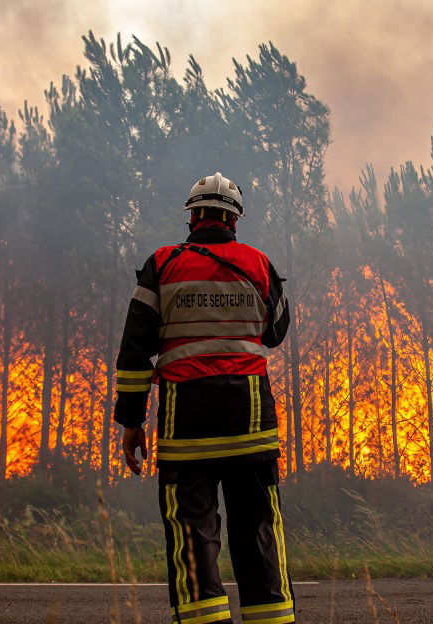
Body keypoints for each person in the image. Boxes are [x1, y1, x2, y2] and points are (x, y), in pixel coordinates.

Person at [113, 172, 294, 624]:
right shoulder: (258, 264)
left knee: (191, 537)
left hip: (185, 427)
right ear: (235, 220)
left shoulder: (162, 264)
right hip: (251, 422)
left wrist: (132, 422)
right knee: (259, 532)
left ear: (192, 216)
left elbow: (135, 350)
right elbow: (276, 333)